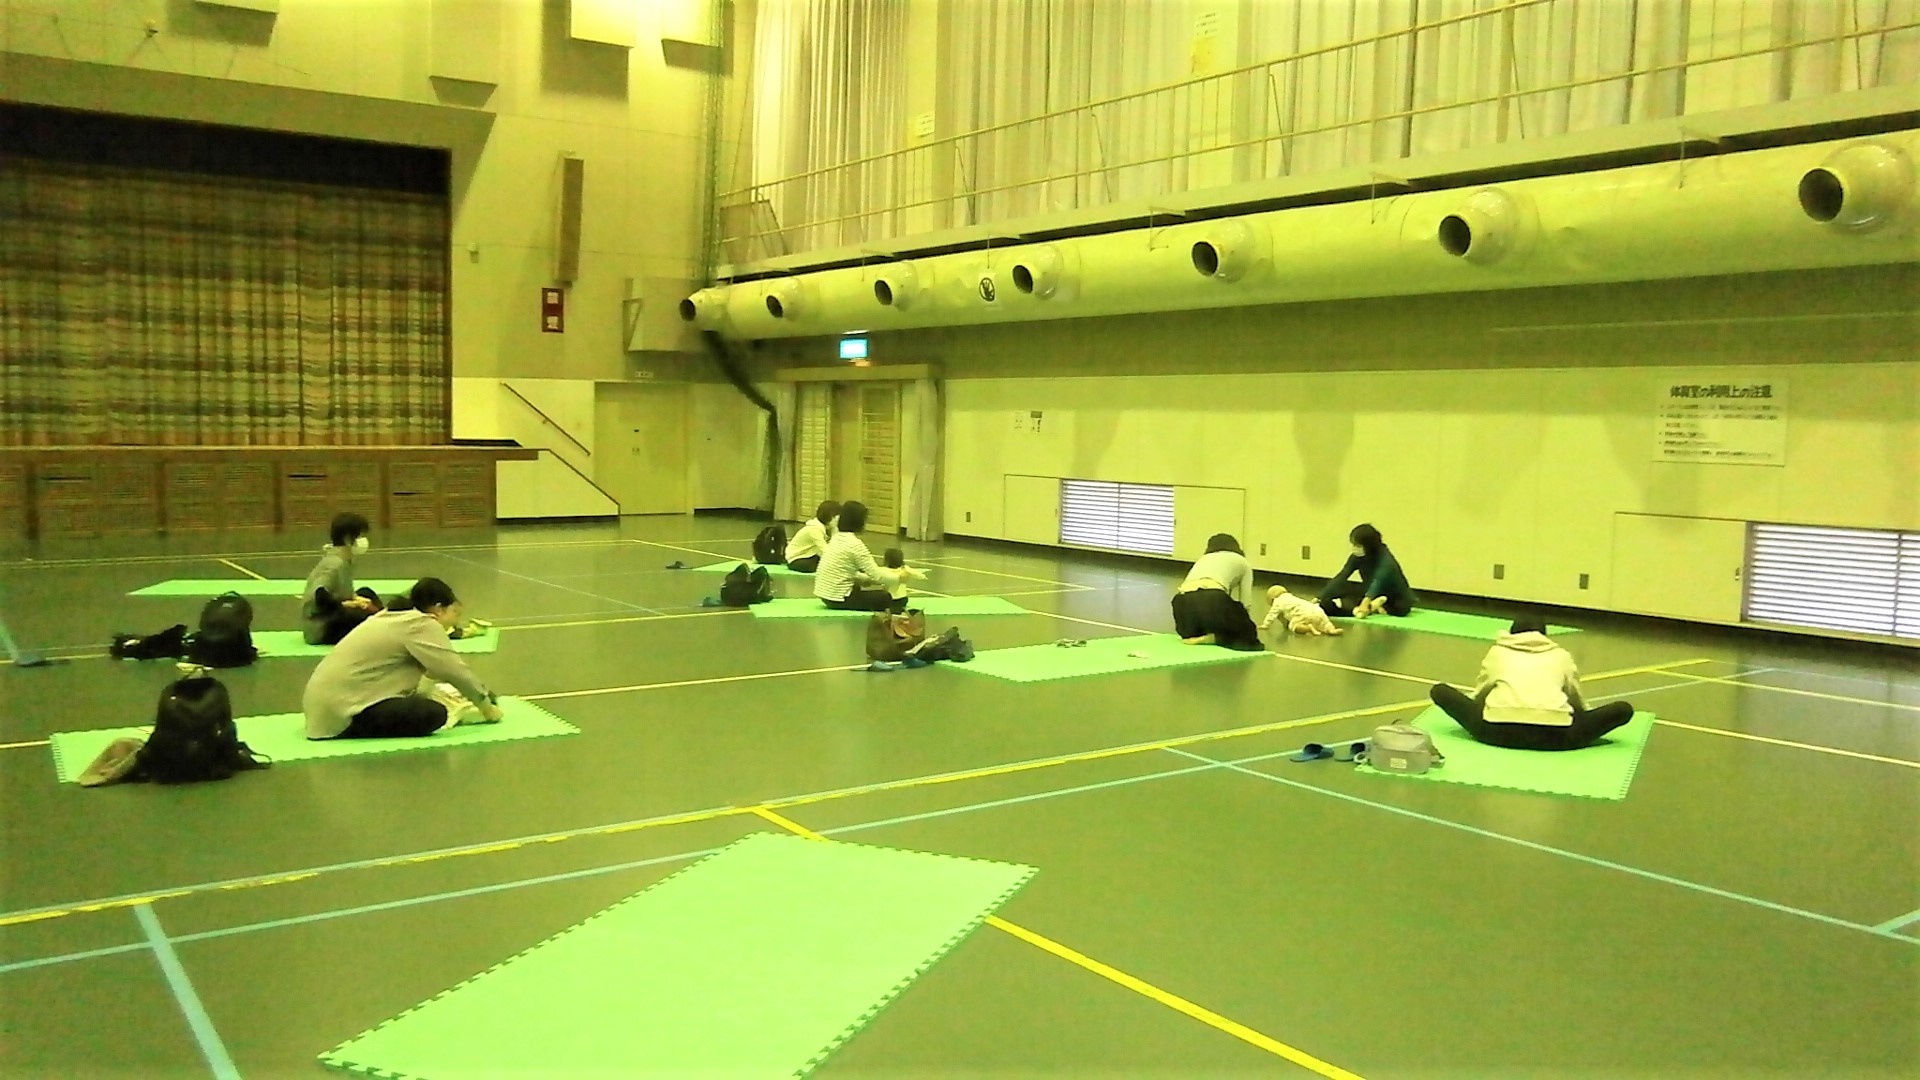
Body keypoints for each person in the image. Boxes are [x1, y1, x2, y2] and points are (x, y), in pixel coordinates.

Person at [302, 578, 503, 740]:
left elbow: (427, 678)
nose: (456, 621)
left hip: (323, 708)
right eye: (455, 612)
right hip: (341, 715)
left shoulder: (393, 616)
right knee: (434, 714)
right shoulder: (423, 624)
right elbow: (454, 671)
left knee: (463, 694)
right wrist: (487, 708)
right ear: (439, 608)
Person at [1428, 614, 1633, 751]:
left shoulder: (1498, 651)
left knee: (1440, 691)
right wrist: (1581, 716)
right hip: (1558, 737)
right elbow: (1575, 697)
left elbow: (1481, 691)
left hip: (1495, 733)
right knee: (1622, 709)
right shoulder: (1561, 655)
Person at [302, 512, 382, 645]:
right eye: (360, 536)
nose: (363, 540)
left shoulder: (343, 559)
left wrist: (355, 598)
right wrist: (348, 604)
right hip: (321, 627)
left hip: (330, 616)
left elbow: (340, 591)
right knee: (363, 618)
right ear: (348, 539)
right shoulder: (335, 564)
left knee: (366, 593)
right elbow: (320, 596)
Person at [813, 501, 909, 612]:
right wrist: (899, 578)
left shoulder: (835, 539)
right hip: (839, 598)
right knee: (885, 597)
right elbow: (877, 576)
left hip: (826, 596)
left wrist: (866, 579)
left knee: (863, 588)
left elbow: (846, 572)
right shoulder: (855, 544)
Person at [1172, 534, 1263, 651]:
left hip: (1181, 602)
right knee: (1248, 635)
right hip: (1213, 598)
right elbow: (1246, 602)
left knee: (1198, 627)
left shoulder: (1204, 558)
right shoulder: (1243, 562)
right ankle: (1217, 638)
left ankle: (1199, 635)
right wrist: (1244, 623)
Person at [1317, 523, 1415, 618]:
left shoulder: (1386, 561)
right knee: (1341, 588)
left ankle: (1372, 606)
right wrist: (1320, 597)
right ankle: (1374, 606)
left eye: (1357, 545)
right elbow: (1342, 575)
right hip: (1370, 591)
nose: (1354, 547)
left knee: (1400, 607)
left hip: (1394, 597)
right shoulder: (1358, 556)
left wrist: (1365, 601)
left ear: (1368, 545)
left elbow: (1378, 582)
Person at [1261, 585, 1343, 637]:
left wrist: (1265, 624)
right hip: (1316, 609)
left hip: (1303, 615)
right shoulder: (1292, 597)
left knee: (1294, 625)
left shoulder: (1278, 601)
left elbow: (1272, 614)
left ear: (1272, 598)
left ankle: (1309, 628)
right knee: (1324, 622)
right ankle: (1331, 629)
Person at [784, 500, 840, 573]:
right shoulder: (814, 529)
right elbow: (826, 551)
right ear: (832, 517)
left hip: (809, 556)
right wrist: (835, 530)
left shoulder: (823, 528)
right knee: (828, 565)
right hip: (796, 559)